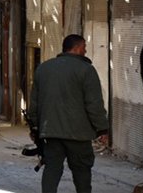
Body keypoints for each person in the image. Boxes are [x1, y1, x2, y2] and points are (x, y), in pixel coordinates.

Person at [27, 34, 108, 193]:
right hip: (79, 133)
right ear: (77, 48)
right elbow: (94, 104)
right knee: (82, 170)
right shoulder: (86, 70)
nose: (85, 51)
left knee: (51, 168)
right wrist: (102, 129)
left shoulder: (43, 68)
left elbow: (34, 103)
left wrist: (35, 127)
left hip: (51, 132)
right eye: (84, 48)